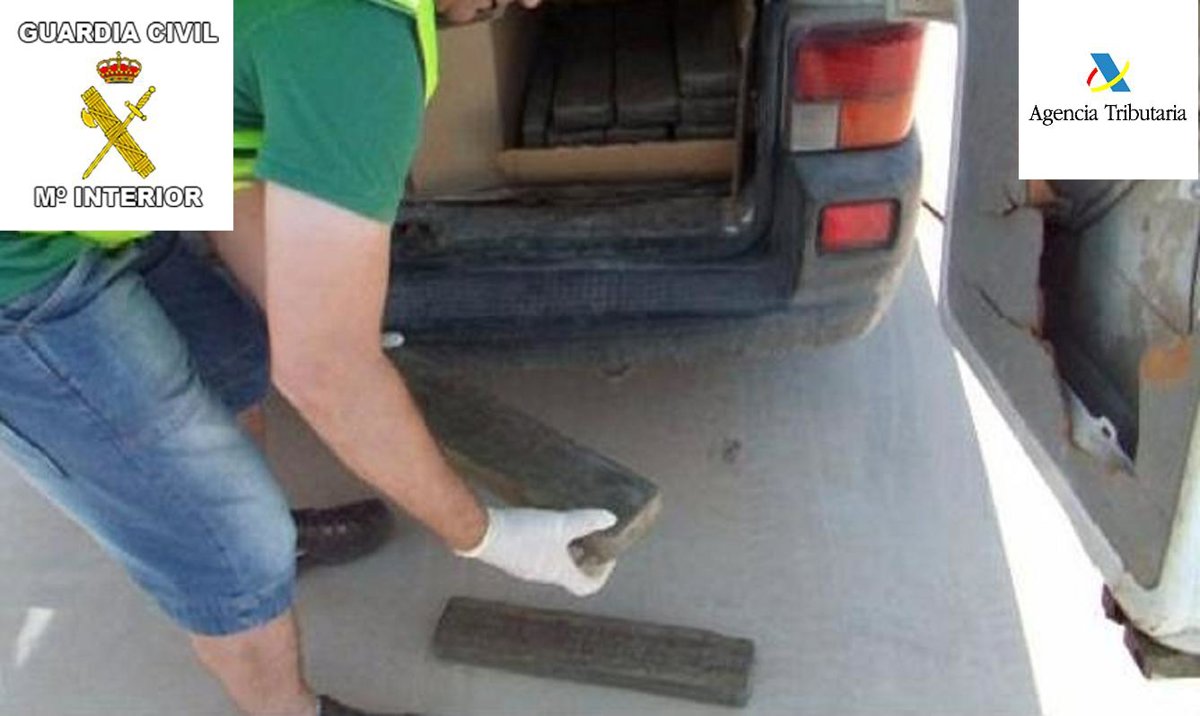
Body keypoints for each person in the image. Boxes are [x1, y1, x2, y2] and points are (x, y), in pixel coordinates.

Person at [0, 0, 618, 713]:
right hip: (19, 264)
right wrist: (487, 535)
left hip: (71, 160)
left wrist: (320, 313)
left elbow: (224, 164)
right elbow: (324, 374)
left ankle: (261, 546)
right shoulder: (359, 44)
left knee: (235, 359)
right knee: (235, 538)